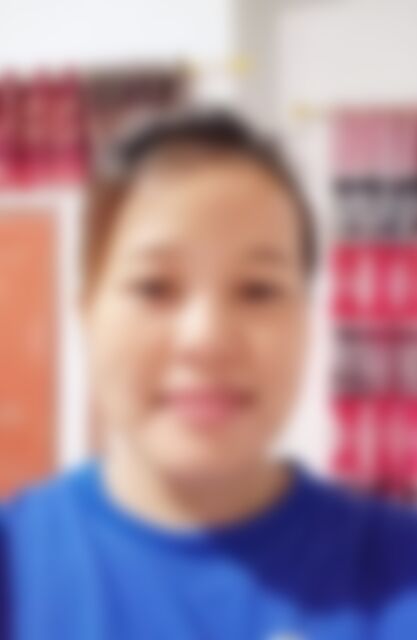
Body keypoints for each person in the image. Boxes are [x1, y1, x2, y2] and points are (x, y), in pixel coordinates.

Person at [1, 109, 417, 640]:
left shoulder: (400, 570)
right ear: (87, 315)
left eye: (257, 290)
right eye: (155, 287)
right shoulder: (15, 567)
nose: (207, 339)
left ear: (306, 321)